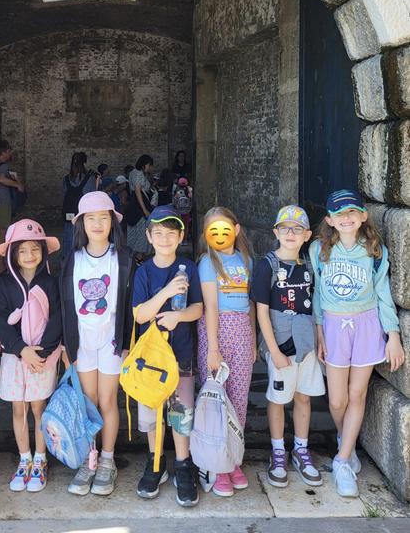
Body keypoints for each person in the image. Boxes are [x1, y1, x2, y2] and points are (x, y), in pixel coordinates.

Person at [309, 189, 405, 498]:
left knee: (356, 394)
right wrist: (319, 330)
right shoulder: (319, 249)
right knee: (337, 400)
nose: (346, 218)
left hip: (366, 324)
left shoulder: (374, 251)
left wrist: (393, 335)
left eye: (352, 211)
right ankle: (346, 441)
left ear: (363, 215)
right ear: (329, 220)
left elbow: (383, 294)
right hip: (334, 326)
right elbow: (318, 293)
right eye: (339, 214)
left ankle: (342, 461)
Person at [60, 191, 135, 496]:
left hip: (111, 341)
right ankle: (87, 458)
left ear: (112, 222)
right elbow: (64, 304)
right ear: (81, 224)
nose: (97, 224)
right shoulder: (72, 259)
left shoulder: (124, 258)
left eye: (104, 218)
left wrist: (128, 342)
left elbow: (130, 303)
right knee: (87, 401)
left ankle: (107, 460)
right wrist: (66, 345)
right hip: (82, 340)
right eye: (90, 218)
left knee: (107, 400)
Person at [132, 205, 203, 507]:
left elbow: (198, 308)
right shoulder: (143, 272)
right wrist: (166, 293)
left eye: (171, 233)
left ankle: (183, 464)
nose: (164, 239)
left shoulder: (189, 267)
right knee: (152, 411)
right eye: (158, 233)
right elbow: (139, 314)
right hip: (150, 359)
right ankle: (156, 461)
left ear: (181, 236)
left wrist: (179, 316)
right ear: (149, 237)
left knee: (181, 412)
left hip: (181, 353)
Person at [251, 205, 325, 490]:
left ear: (307, 235)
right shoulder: (267, 266)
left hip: (305, 345)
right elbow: (261, 312)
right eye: (284, 228)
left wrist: (319, 341)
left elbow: (316, 306)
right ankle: (278, 450)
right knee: (278, 399)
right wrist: (273, 351)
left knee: (303, 397)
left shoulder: (309, 267)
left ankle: (301, 449)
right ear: (276, 232)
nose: (290, 233)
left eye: (297, 229)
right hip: (280, 345)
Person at [0, 219, 63, 492]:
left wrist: (42, 353)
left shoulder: (51, 283)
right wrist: (21, 349)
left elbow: (57, 318)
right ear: (12, 255)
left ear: (43, 251)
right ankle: (24, 458)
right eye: (22, 250)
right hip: (14, 356)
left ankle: (41, 458)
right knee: (18, 408)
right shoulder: (4, 285)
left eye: (35, 249)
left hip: (43, 357)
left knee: (38, 408)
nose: (29, 255)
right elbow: (0, 321)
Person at [197, 207, 256, 497]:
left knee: (239, 399)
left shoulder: (246, 260)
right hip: (216, 332)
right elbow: (211, 307)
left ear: (236, 229)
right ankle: (217, 465)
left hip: (242, 331)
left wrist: (253, 340)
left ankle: (233, 459)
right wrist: (213, 348)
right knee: (217, 401)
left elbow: (251, 302)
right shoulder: (208, 262)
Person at [0, 140, 24, 252]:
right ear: (3, 153)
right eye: (8, 151)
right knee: (2, 233)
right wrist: (17, 184)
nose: (10, 153)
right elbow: (1, 179)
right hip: (2, 203)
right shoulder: (3, 166)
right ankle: (1, 262)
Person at [62, 152, 98, 257]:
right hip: (83, 214)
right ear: (84, 163)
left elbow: (65, 194)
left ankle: (68, 259)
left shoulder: (66, 179)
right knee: (83, 237)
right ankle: (81, 259)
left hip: (69, 213)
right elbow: (92, 196)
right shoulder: (90, 178)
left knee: (68, 237)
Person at [126, 154, 155, 261]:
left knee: (137, 232)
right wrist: (144, 210)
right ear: (144, 164)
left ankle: (136, 256)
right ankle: (139, 257)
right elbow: (138, 192)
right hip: (139, 208)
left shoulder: (135, 172)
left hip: (135, 207)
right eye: (149, 165)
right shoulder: (138, 174)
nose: (150, 167)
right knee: (142, 232)